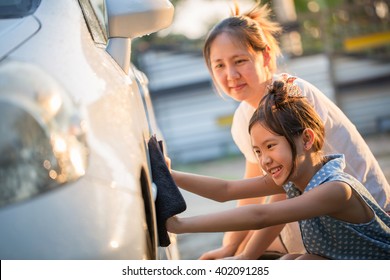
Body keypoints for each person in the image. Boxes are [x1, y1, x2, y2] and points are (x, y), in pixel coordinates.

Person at [191, 1, 390, 259]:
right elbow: (250, 188)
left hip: (362, 217)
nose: (231, 74)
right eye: (219, 65)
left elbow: (284, 194)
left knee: (254, 254)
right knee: (238, 250)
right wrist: (230, 245)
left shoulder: (291, 94)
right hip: (319, 213)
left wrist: (244, 257)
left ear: (265, 57)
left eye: (240, 61)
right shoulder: (243, 118)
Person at [166, 80, 390, 260]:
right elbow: (226, 189)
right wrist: (171, 176)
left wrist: (180, 225)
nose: (264, 160)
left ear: (306, 139)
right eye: (258, 151)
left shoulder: (337, 189)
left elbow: (260, 215)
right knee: (292, 261)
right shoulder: (293, 178)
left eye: (270, 146)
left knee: (300, 264)